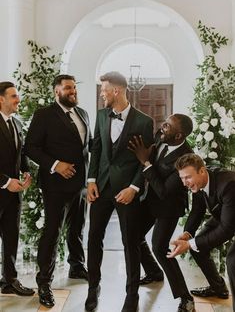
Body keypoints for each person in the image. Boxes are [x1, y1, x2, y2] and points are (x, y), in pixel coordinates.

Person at [85, 71, 153, 312]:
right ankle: (93, 288)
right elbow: (96, 148)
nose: (101, 93)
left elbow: (144, 160)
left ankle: (131, 293)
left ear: (116, 90)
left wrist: (134, 188)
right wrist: (91, 180)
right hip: (101, 188)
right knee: (94, 238)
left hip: (127, 190)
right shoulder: (102, 115)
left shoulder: (144, 122)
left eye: (104, 89)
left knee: (130, 241)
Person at [25, 74, 92, 308]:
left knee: (77, 228)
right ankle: (44, 282)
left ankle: (77, 266)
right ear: (57, 92)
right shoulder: (44, 115)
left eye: (74, 87)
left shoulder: (83, 113)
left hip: (80, 185)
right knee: (52, 232)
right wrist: (55, 165)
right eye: (67, 88)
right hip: (55, 186)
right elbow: (30, 148)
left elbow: (88, 146)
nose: (73, 91)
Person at [128, 114, 195, 312]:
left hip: (169, 206)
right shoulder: (161, 137)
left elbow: (165, 191)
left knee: (159, 248)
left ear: (179, 135)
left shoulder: (185, 158)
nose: (162, 127)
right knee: (132, 234)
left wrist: (145, 163)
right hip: (150, 200)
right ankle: (153, 272)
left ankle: (186, 298)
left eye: (167, 126)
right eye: (164, 123)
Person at [168, 153, 235, 311]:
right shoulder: (198, 183)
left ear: (202, 171)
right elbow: (197, 210)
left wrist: (190, 244)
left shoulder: (229, 184)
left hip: (229, 219)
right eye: (182, 178)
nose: (185, 183)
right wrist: (187, 234)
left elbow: (227, 230)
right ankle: (218, 288)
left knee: (233, 262)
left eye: (188, 177)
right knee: (199, 247)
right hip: (224, 215)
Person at [0, 81, 34, 296]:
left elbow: (20, 153)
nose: (18, 100)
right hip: (3, 187)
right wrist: (5, 181)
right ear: (1, 99)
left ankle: (9, 282)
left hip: (13, 194)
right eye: (13, 96)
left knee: (12, 237)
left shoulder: (18, 124)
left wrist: (26, 170)